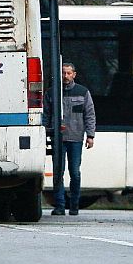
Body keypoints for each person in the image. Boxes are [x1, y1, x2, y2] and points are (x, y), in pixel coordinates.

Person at [50, 62, 95, 215]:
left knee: (74, 172)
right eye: (63, 73)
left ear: (74, 74)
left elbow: (89, 115)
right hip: (58, 138)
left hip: (76, 138)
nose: (66, 76)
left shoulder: (83, 92)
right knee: (58, 172)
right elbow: (45, 115)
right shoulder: (52, 93)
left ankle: (74, 205)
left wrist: (90, 135)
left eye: (69, 73)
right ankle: (60, 206)